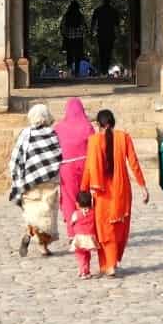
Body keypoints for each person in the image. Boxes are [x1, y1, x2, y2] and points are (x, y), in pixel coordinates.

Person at [80, 109, 149, 277]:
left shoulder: (94, 141)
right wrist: (143, 185)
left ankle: (109, 264)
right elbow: (133, 162)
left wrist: (82, 194)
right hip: (121, 191)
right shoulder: (124, 137)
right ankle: (111, 263)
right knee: (119, 228)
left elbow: (89, 168)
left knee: (104, 230)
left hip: (102, 193)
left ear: (98, 124)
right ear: (113, 122)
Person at [9, 104, 62, 257]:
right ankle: (42, 246)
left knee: (32, 211)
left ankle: (29, 231)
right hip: (49, 181)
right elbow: (58, 155)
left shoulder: (25, 134)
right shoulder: (52, 134)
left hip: (29, 181)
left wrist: (17, 177)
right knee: (47, 213)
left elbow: (16, 158)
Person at [54, 97, 94, 240]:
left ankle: (72, 232)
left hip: (67, 167)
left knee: (69, 199)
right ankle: (88, 227)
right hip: (85, 165)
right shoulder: (88, 126)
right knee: (85, 197)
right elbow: (94, 146)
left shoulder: (58, 128)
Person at [91, 0, 120, 78]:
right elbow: (117, 25)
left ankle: (103, 70)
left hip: (101, 34)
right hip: (110, 35)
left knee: (102, 53)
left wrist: (91, 32)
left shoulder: (98, 10)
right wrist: (118, 34)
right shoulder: (113, 11)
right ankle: (105, 70)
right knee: (107, 53)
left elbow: (93, 23)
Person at [71, 190, 99, 279]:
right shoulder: (93, 212)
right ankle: (86, 270)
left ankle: (83, 271)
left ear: (77, 204)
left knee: (81, 256)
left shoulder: (76, 213)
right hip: (90, 238)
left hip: (79, 238)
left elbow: (72, 222)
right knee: (87, 255)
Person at [60, 0, 87, 78]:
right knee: (78, 56)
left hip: (69, 37)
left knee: (69, 55)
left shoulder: (67, 15)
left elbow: (62, 26)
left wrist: (64, 33)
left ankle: (69, 71)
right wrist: (81, 32)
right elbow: (84, 27)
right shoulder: (80, 16)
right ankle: (77, 73)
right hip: (78, 38)